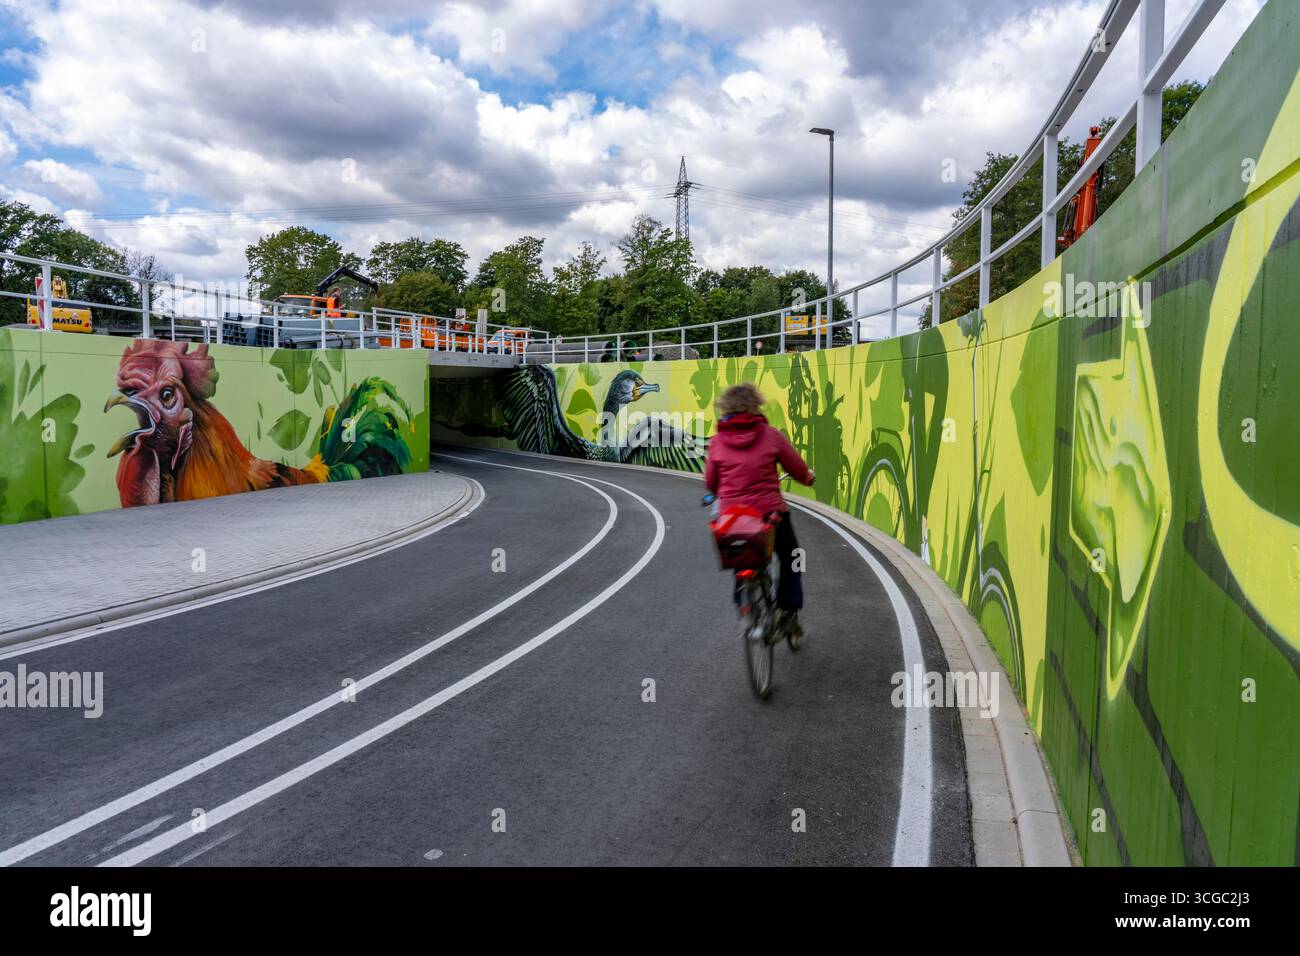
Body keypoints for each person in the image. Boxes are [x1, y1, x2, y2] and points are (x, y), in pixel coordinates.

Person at [704, 383, 815, 635]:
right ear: (756, 405)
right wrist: (808, 478)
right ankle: (789, 609)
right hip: (770, 514)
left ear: (726, 407)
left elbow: (710, 482)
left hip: (733, 517)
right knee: (792, 556)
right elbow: (797, 468)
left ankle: (744, 602)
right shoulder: (771, 436)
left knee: (739, 552)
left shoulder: (717, 442)